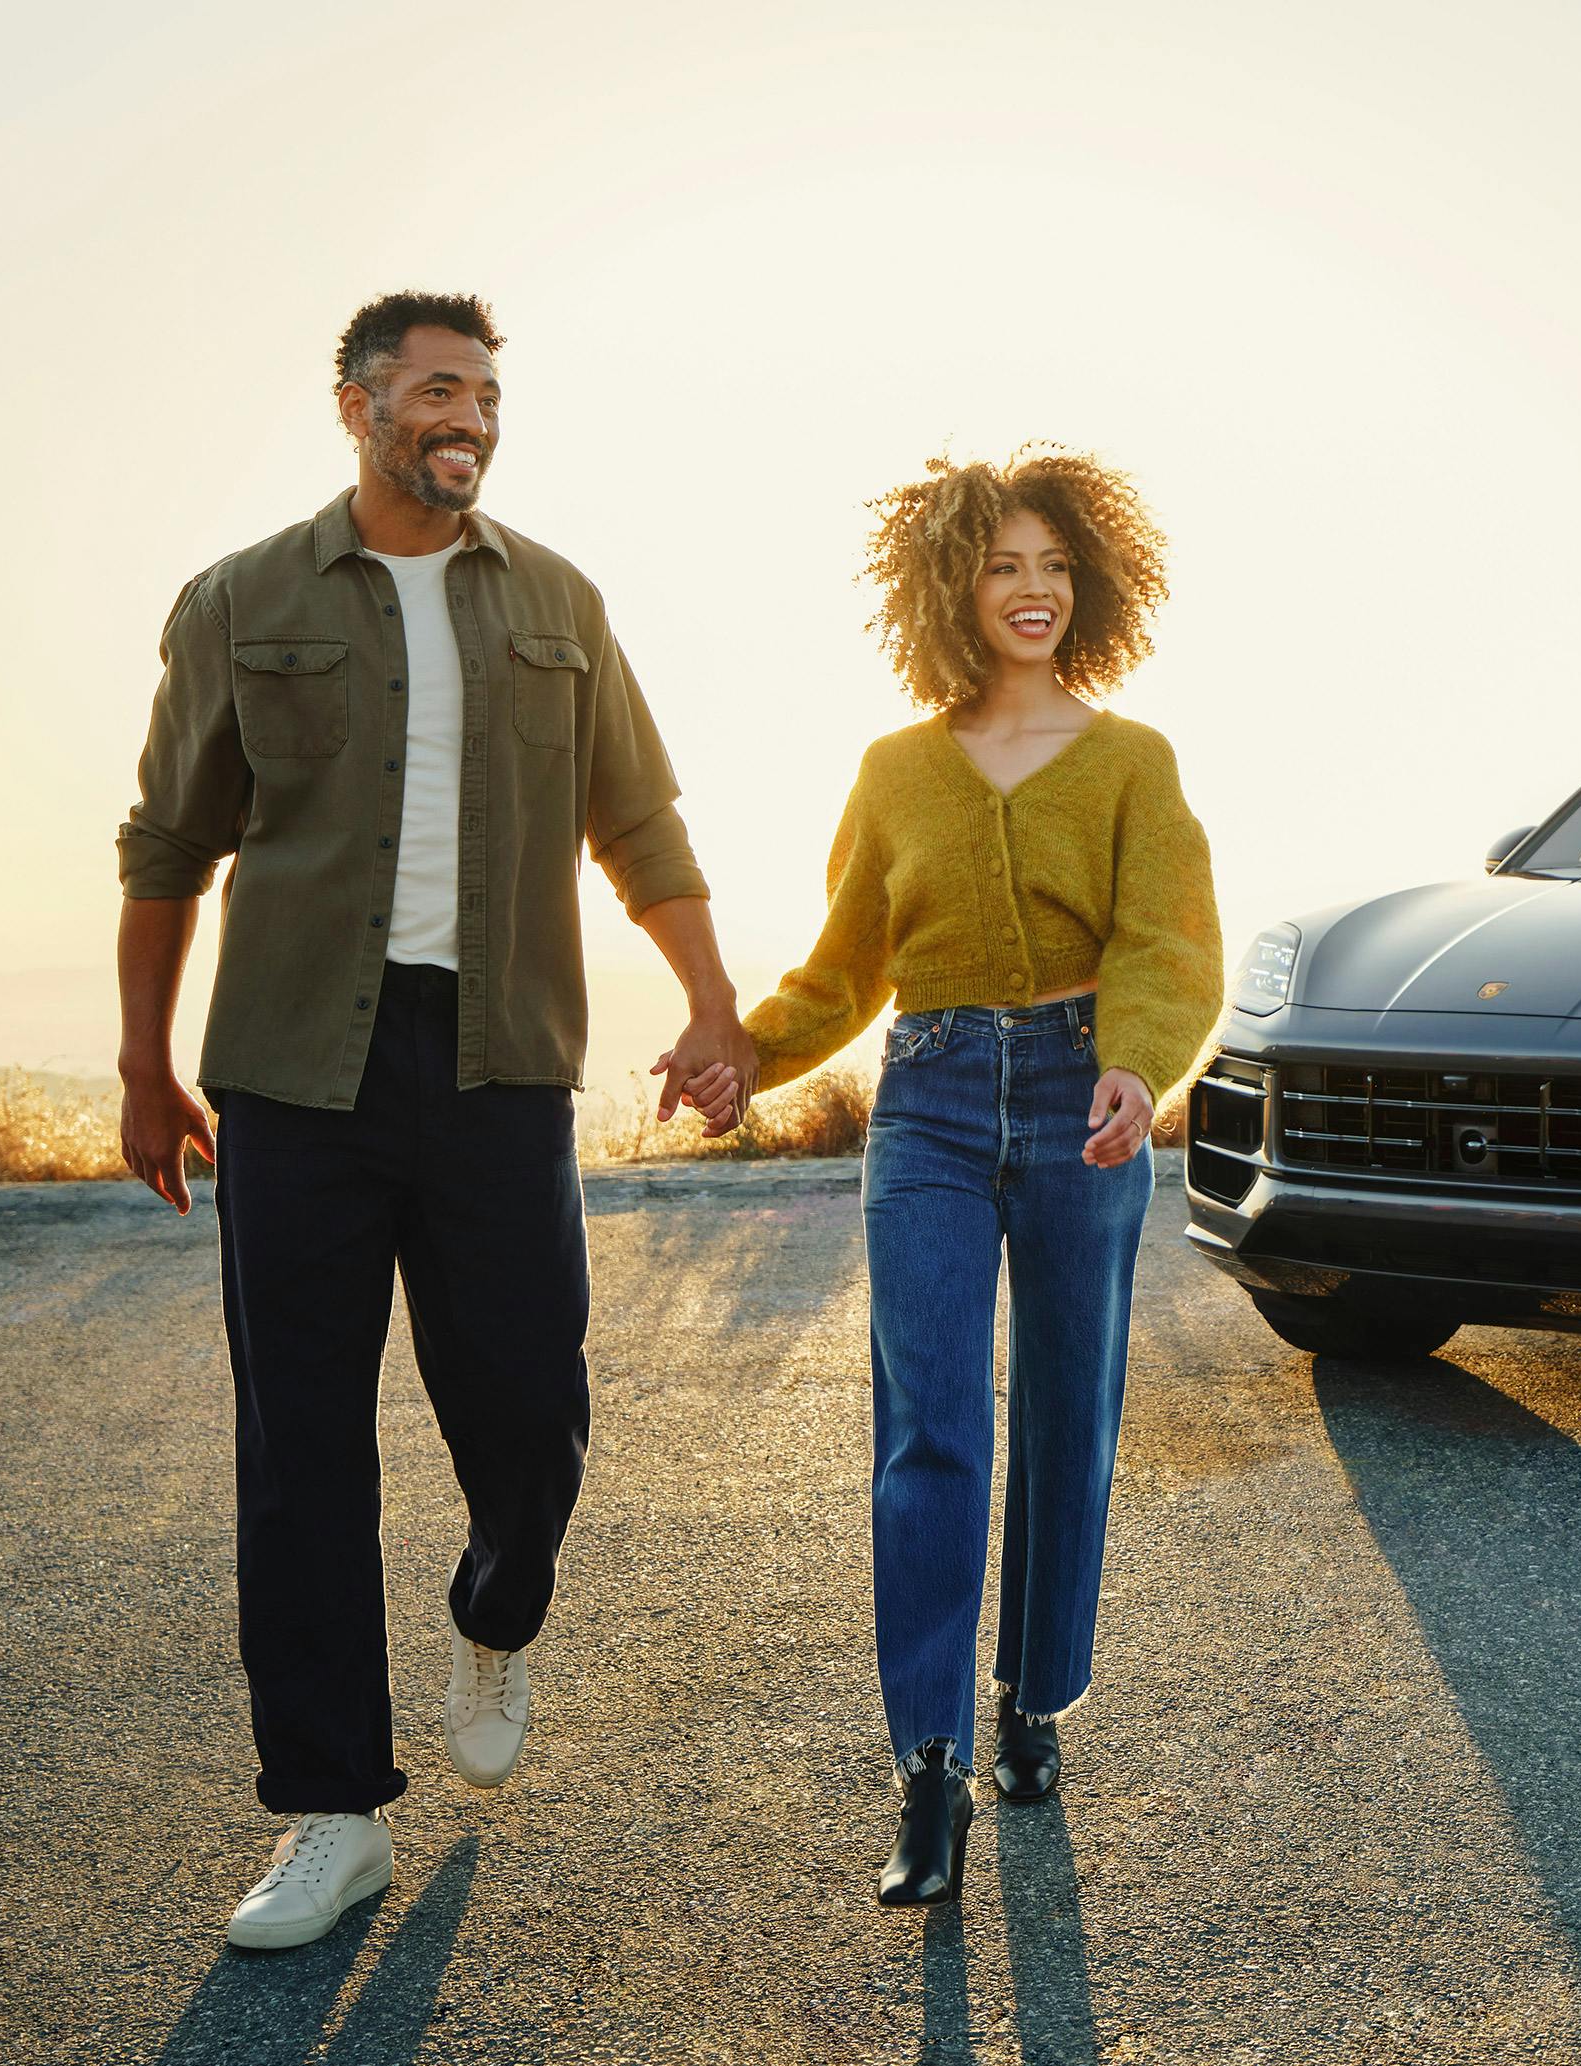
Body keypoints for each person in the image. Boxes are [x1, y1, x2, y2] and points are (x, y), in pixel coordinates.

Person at [113, 291, 757, 1951]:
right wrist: (141, 1062)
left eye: (482, 390)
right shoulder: (243, 599)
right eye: (431, 390)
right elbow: (167, 845)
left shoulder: (555, 599)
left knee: (531, 1400)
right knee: (300, 1448)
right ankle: (332, 1815)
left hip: (497, 1063)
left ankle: (501, 1601)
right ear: (355, 407)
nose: (462, 413)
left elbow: (642, 818)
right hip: (289, 1080)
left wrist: (707, 1001)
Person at [718, 449, 1221, 1905]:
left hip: (1087, 1097)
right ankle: (926, 1763)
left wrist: (1136, 1062)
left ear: (1092, 587)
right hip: (929, 1101)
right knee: (930, 1422)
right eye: (1005, 564)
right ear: (954, 585)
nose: (1034, 590)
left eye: (1056, 565)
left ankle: (1033, 1701)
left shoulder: (1134, 762)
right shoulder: (894, 773)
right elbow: (844, 968)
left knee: (1072, 1411)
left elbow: (1170, 941)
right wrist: (744, 1057)